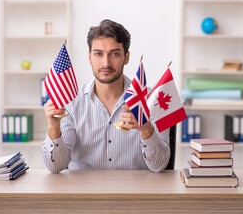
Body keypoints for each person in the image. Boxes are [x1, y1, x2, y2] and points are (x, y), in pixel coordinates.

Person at [42, 19, 170, 173]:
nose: (106, 63)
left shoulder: (151, 100)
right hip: (84, 193)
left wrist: (146, 129)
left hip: (134, 192)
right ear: (89, 57)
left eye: (114, 54)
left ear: (126, 57)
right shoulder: (70, 102)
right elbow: (56, 167)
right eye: (98, 54)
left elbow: (160, 166)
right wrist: (54, 127)